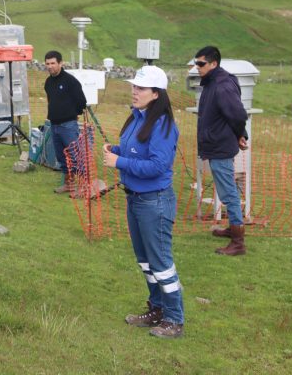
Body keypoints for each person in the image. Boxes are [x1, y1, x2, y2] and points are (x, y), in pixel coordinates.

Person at [103, 65, 184, 339]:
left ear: (156, 93)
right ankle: (157, 309)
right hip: (135, 200)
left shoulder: (163, 124)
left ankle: (175, 319)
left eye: (140, 88)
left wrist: (119, 162)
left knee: (161, 263)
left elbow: (158, 165)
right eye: (134, 86)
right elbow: (136, 151)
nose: (134, 91)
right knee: (146, 262)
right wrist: (116, 150)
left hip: (154, 202)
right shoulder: (137, 117)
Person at [193, 46, 249, 256]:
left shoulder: (222, 85)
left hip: (220, 146)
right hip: (217, 143)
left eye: (201, 64)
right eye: (196, 63)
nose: (197, 67)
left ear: (214, 63)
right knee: (227, 190)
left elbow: (237, 114)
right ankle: (232, 229)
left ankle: (238, 241)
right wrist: (240, 133)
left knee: (229, 194)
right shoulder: (213, 82)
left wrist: (240, 132)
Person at [43, 50, 87, 193]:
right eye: (47, 64)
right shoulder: (48, 82)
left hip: (68, 125)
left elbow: (81, 101)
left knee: (75, 156)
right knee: (62, 157)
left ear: (60, 63)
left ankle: (84, 186)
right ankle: (69, 185)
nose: (50, 66)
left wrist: (74, 114)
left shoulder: (70, 81)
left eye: (53, 63)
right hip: (54, 125)